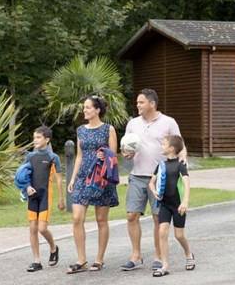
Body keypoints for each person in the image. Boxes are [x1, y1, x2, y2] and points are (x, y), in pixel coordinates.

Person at [121, 88, 187, 272]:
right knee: (131, 215)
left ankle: (158, 256)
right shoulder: (132, 123)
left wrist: (183, 164)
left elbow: (180, 146)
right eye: (137, 102)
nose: (138, 105)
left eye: (141, 102)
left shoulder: (168, 122)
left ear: (152, 103)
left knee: (159, 218)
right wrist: (126, 153)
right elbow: (126, 148)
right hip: (136, 175)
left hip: (160, 178)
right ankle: (136, 256)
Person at [67, 95, 119, 274]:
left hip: (101, 178)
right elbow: (79, 156)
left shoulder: (108, 129)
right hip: (83, 178)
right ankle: (81, 260)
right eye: (84, 107)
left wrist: (106, 155)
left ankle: (99, 259)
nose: (85, 110)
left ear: (97, 110)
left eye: (88, 107)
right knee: (76, 218)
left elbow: (114, 155)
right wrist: (73, 178)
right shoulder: (80, 130)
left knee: (101, 219)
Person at [148, 135, 195, 277]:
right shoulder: (161, 165)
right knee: (162, 232)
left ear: (172, 149)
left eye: (164, 144)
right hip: (165, 204)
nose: (161, 146)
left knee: (179, 235)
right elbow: (151, 182)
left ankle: (188, 254)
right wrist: (154, 190)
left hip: (178, 205)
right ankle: (165, 265)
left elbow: (186, 184)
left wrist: (185, 201)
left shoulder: (181, 165)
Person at [24, 126, 64, 272]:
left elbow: (59, 179)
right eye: (34, 137)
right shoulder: (30, 156)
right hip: (32, 196)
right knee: (32, 228)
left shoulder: (53, 158)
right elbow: (24, 175)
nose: (35, 140)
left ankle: (53, 247)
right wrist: (27, 187)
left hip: (46, 196)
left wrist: (61, 199)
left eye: (38, 137)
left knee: (42, 228)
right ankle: (36, 261)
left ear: (47, 139)